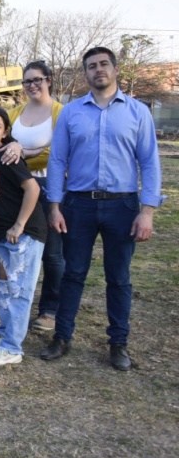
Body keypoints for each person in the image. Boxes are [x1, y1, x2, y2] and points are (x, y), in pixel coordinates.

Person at [42, 47, 163, 371]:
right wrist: (54, 206)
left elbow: (150, 163)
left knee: (119, 278)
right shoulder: (71, 112)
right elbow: (57, 161)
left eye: (104, 64)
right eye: (92, 66)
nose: (98, 70)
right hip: (78, 204)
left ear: (115, 69)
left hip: (122, 206)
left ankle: (118, 343)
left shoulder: (138, 112)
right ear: (85, 73)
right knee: (73, 274)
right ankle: (62, 337)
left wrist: (147, 210)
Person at [0, 106, 47, 366]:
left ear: (6, 133)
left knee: (19, 290)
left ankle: (12, 348)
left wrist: (19, 225)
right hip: (1, 232)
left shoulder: (9, 157)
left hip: (23, 233)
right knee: (4, 289)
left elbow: (32, 189)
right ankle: (4, 335)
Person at [0, 61, 64, 332]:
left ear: (48, 80)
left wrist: (21, 153)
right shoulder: (14, 113)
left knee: (52, 252)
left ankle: (49, 309)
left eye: (38, 79)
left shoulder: (62, 112)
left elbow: (59, 151)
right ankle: (5, 304)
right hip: (16, 187)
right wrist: (14, 149)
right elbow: (2, 145)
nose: (32, 85)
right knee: (11, 248)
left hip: (51, 185)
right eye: (27, 81)